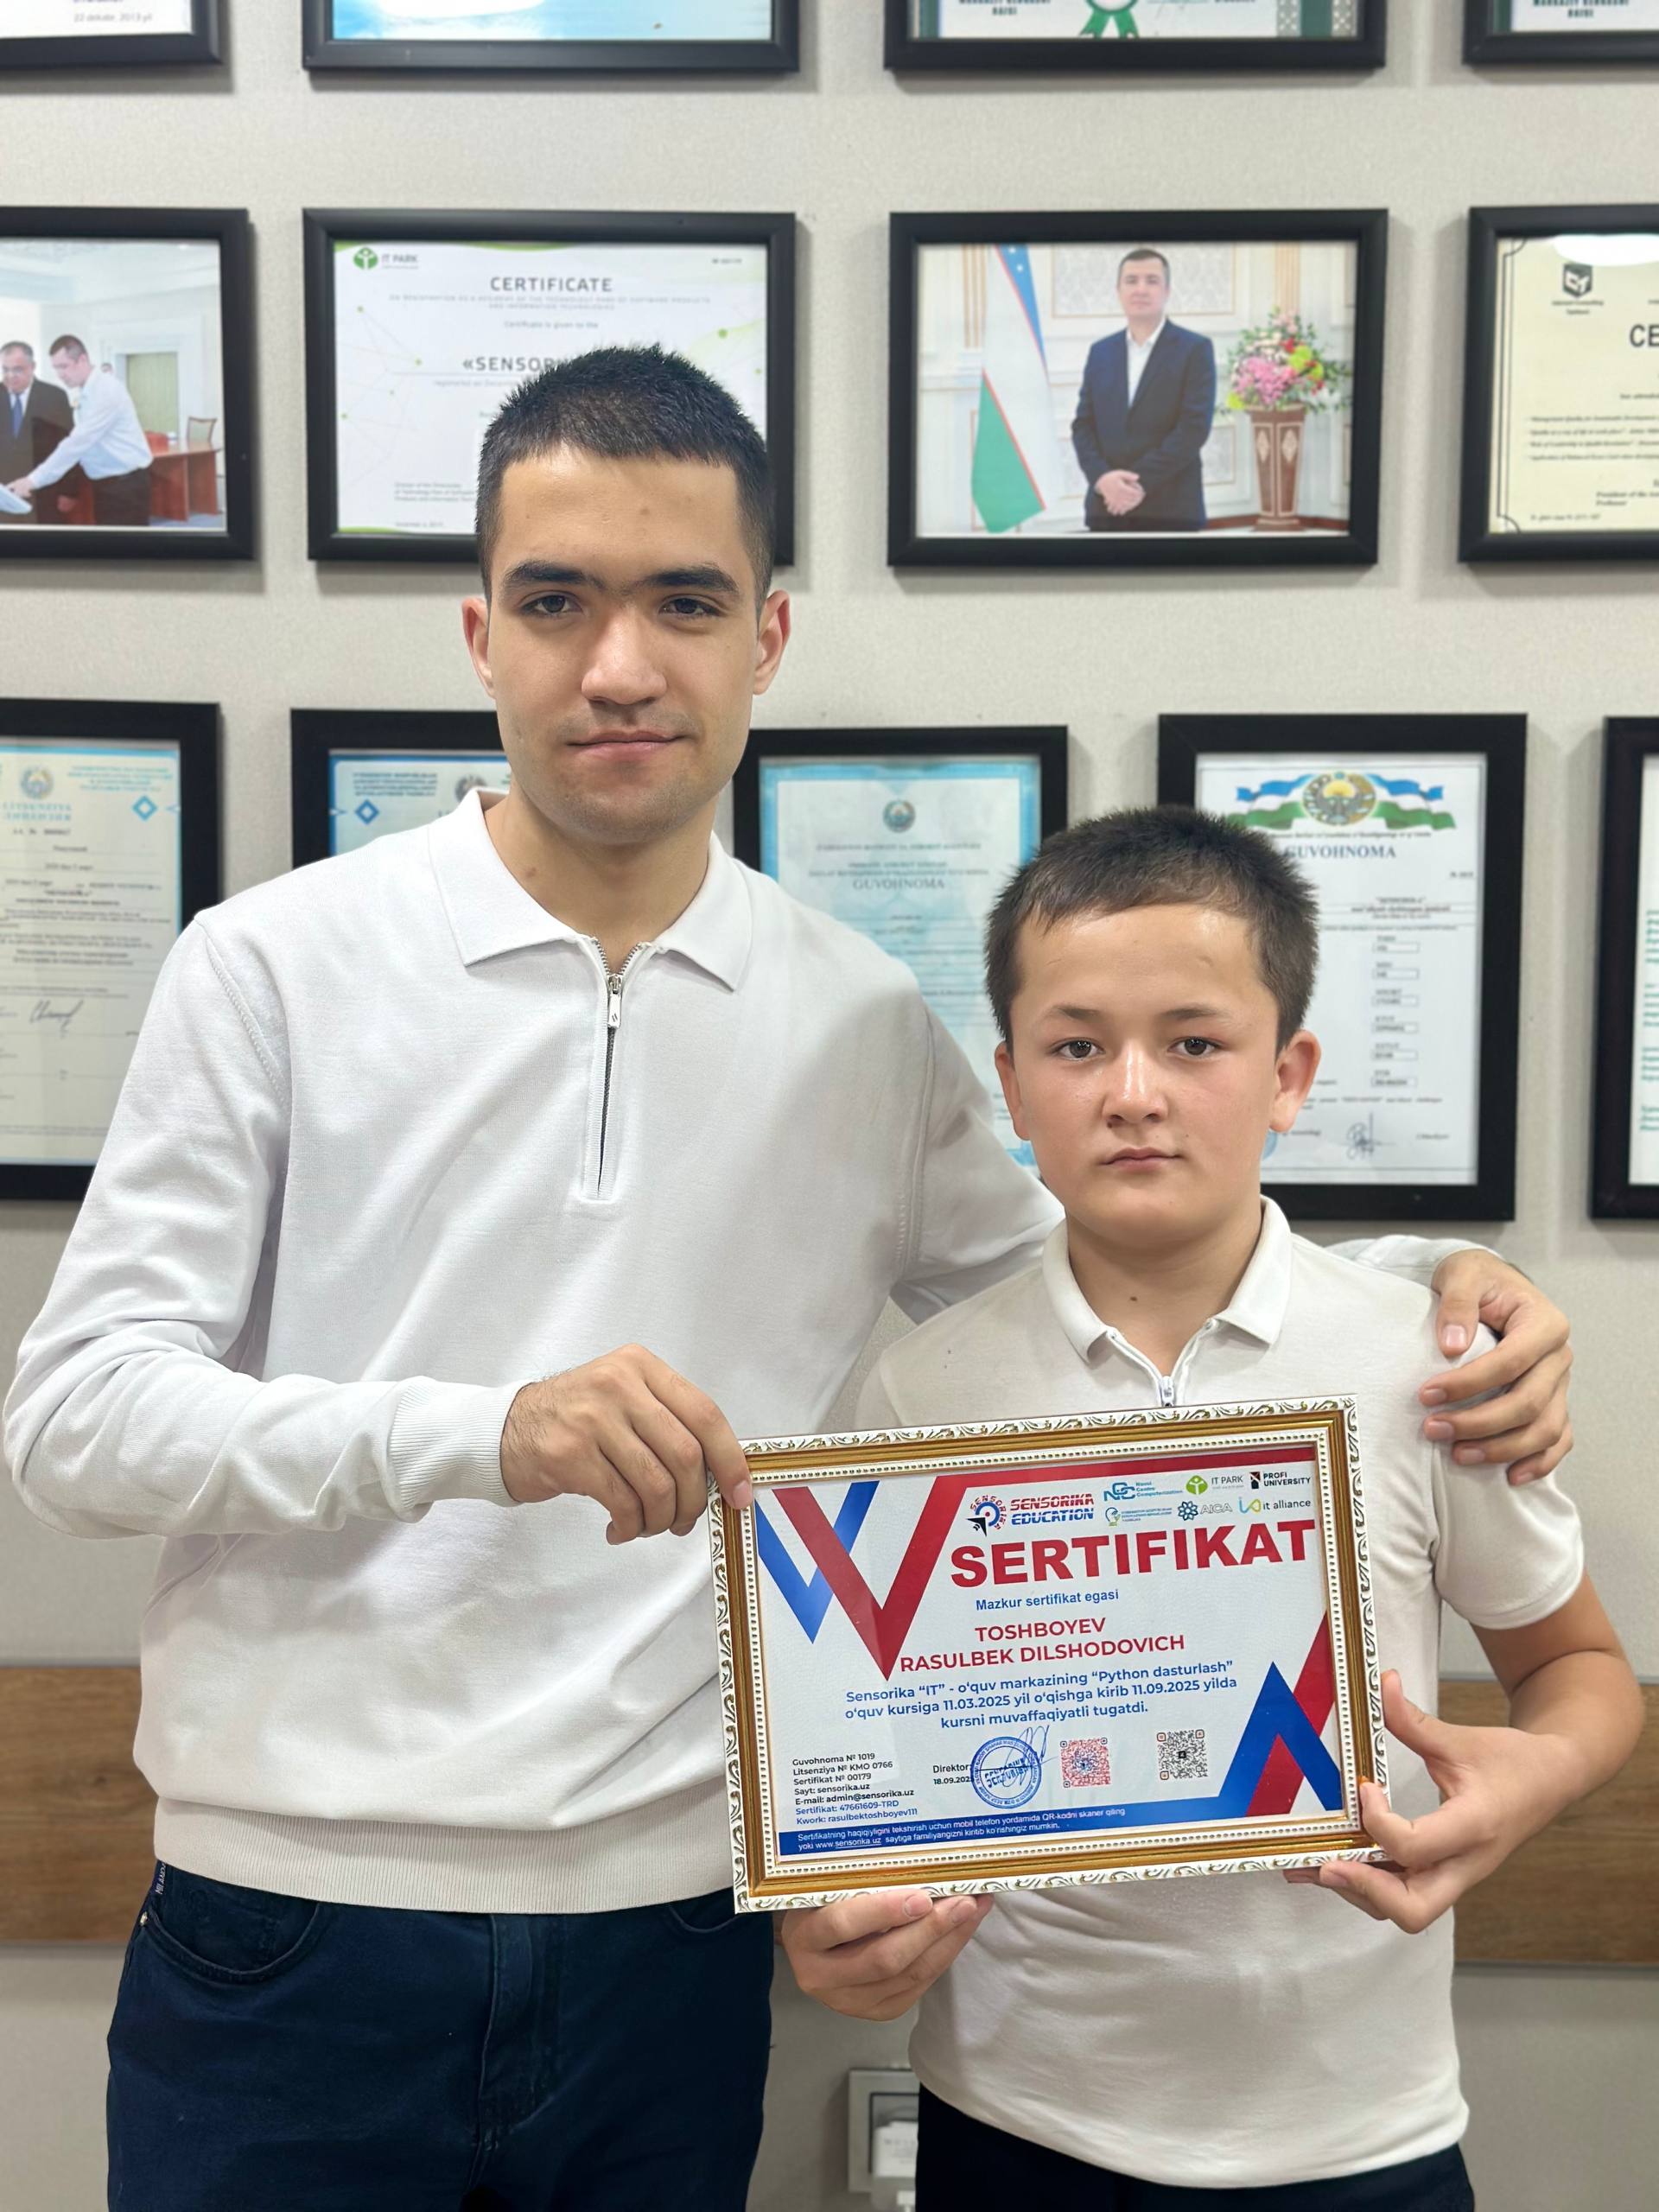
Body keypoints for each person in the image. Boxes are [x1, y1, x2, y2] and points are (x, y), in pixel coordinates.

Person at [4, 348, 1573, 2212]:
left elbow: (1115, 1284)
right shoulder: (269, 964)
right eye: (557, 601)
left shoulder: (861, 1020)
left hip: (676, 1936)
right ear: (480, 633)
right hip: (293, 1917)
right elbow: (74, 1425)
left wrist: (1431, 1283)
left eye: (683, 602)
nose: (618, 665)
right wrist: (485, 1433)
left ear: (767, 636)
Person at [783, 808, 1641, 2212]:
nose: (1134, 1093)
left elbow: (1581, 1670)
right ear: (1010, 1087)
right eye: (1076, 1048)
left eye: (1194, 1043)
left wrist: (1535, 1778)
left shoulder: (1427, 1365)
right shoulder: (917, 1390)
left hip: (1360, 2136)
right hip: (1015, 2122)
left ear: (1288, 1074)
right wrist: (837, 1916)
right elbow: (865, 1762)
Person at [1072, 248, 1217, 533]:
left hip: (1171, 509)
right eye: (1131, 281)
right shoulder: (1100, 352)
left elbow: (1193, 429)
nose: (1140, 289)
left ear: (1167, 291)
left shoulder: (1195, 349)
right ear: (1118, 290)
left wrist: (1132, 486)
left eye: (1152, 281)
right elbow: (1083, 426)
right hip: (1106, 506)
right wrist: (1103, 480)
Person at [4, 334, 151, 527]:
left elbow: (75, 444)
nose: (60, 374)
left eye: (64, 366)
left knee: (126, 544)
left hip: (125, 486)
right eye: (56, 368)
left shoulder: (105, 391)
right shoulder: (87, 391)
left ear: (82, 360)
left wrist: (31, 481)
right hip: (107, 484)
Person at [0, 340, 74, 525]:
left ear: (32, 367)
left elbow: (69, 446)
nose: (10, 376)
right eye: (5, 369)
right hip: (4, 492)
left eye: (17, 370)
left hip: (43, 492)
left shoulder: (54, 397)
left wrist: (69, 491)